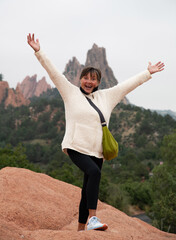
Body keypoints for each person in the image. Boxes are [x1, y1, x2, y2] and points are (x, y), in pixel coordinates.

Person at [27, 33, 164, 231]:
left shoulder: (106, 97)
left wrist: (147, 72)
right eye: (85, 78)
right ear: (80, 79)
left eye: (93, 79)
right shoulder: (70, 92)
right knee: (94, 172)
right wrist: (39, 51)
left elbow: (126, 86)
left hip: (96, 151)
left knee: (87, 189)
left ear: (98, 82)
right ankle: (93, 218)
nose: (88, 82)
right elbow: (54, 73)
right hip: (75, 146)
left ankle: (81, 229)